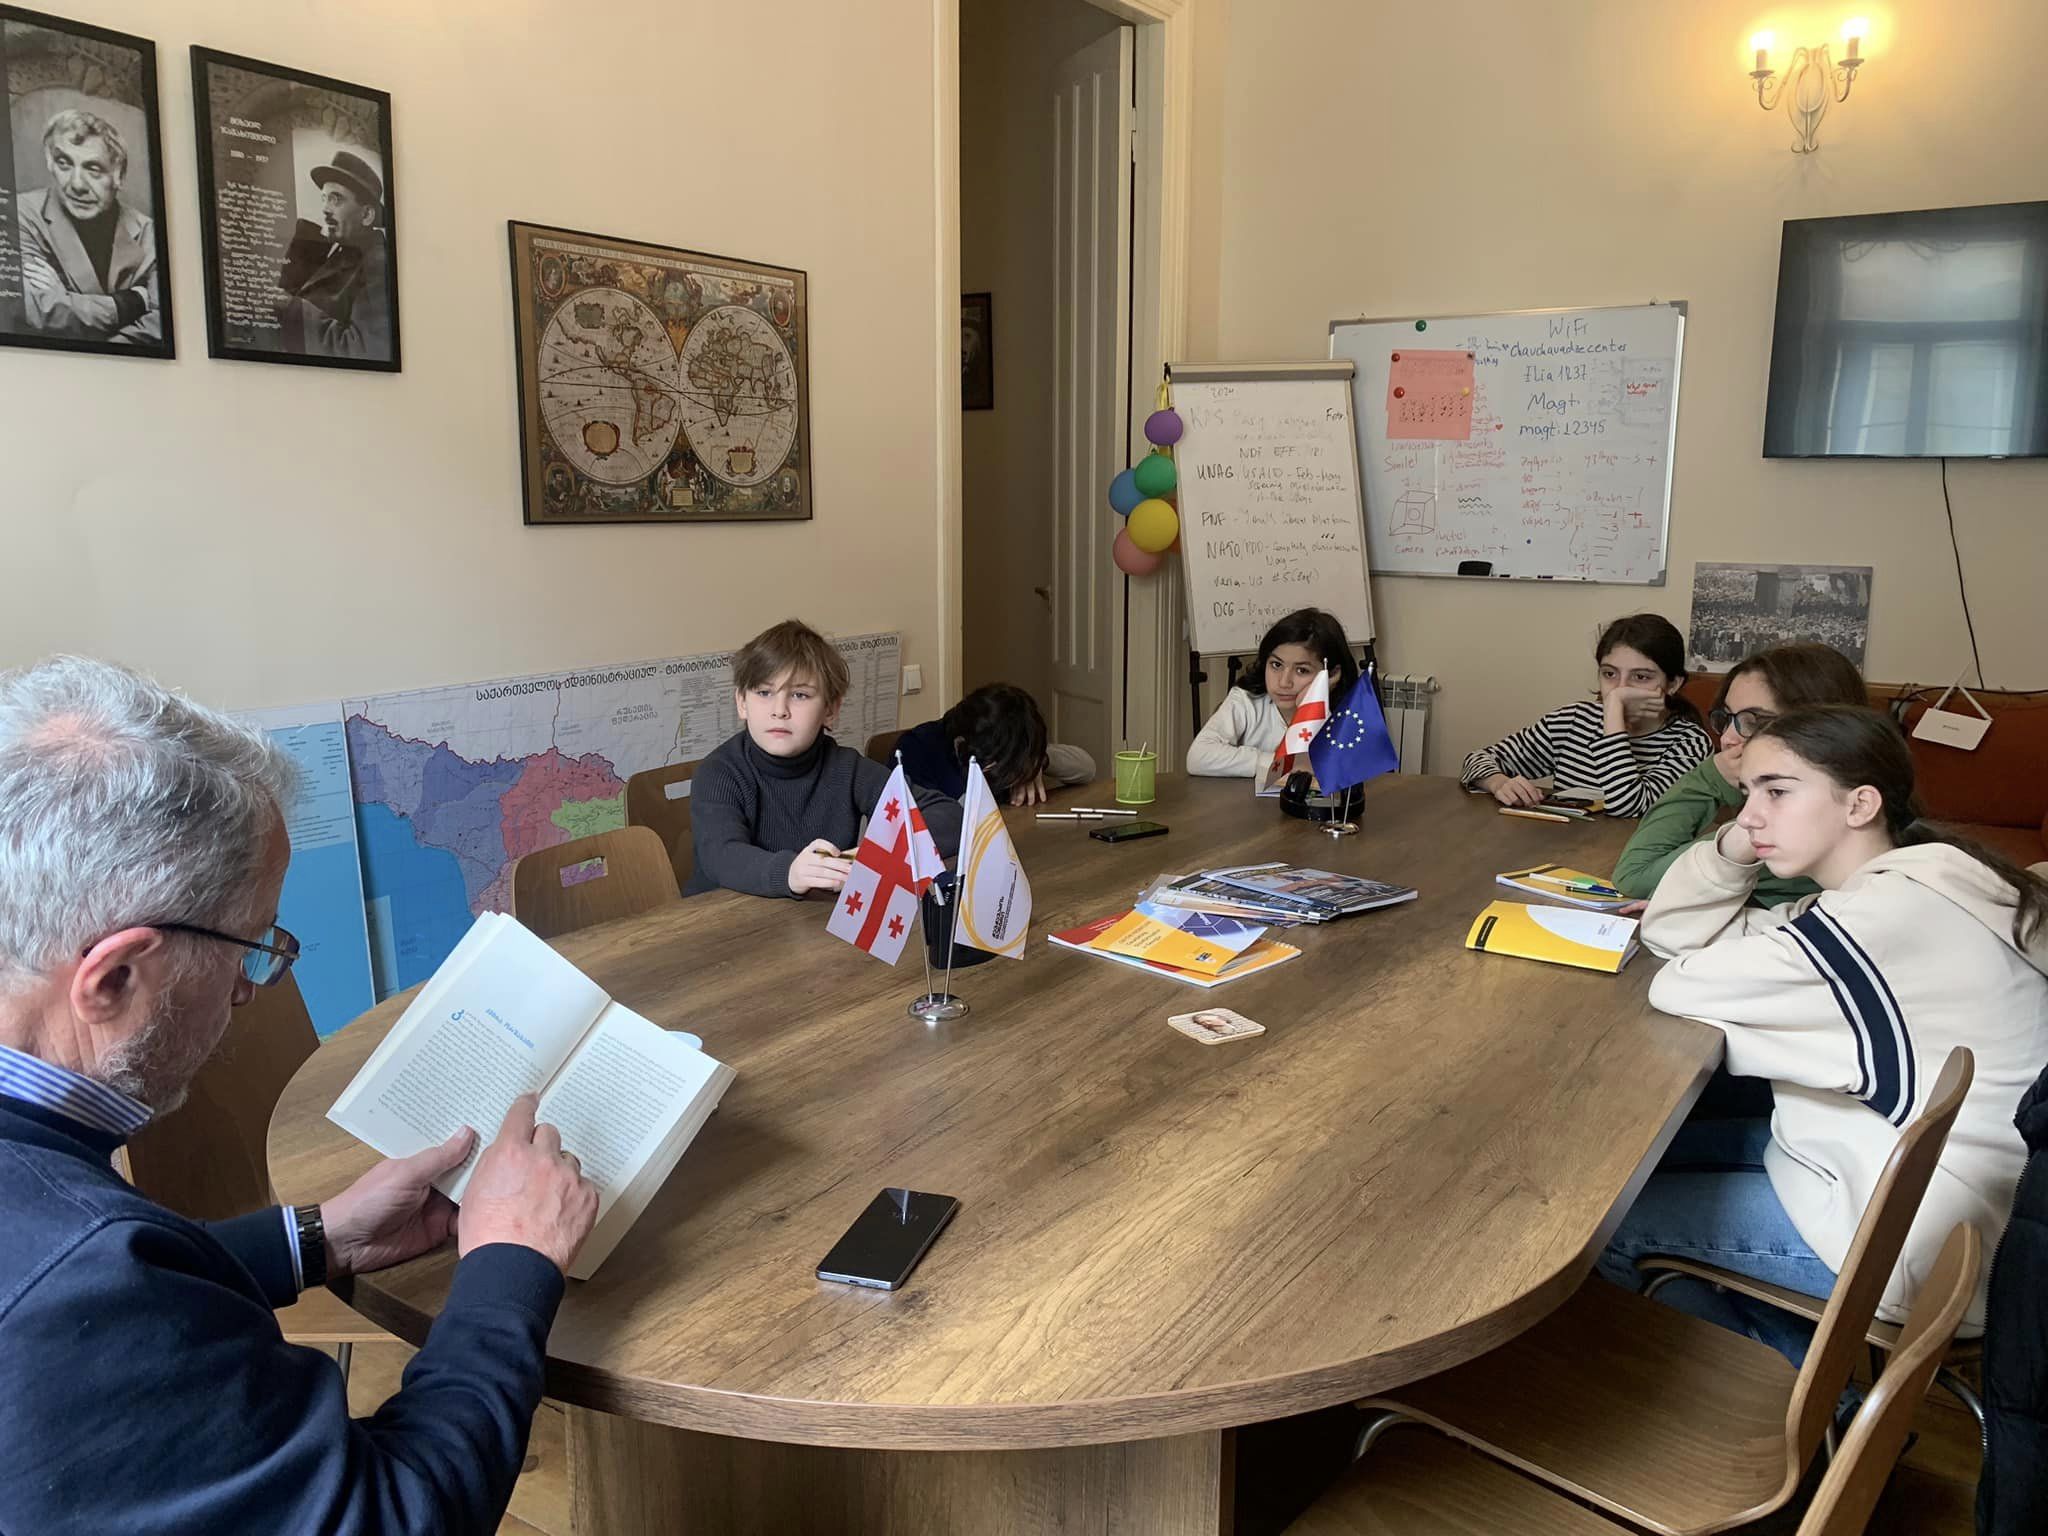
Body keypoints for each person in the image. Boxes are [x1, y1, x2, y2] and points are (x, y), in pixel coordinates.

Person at [0, 655, 601, 1533]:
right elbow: (390, 1517)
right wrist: (511, 1261)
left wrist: (317, 1238)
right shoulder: (74, 1285)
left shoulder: (68, 1256)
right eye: (250, 946)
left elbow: (119, 1295)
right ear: (116, 976)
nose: (250, 991)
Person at [1599, 705, 2048, 1359]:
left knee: (1612, 1224)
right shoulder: (1923, 880)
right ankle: (1795, 1371)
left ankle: (1797, 1408)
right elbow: (1675, 936)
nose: (1749, 817)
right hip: (1947, 1199)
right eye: (1747, 793)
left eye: (1777, 792)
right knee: (1645, 1160)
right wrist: (1732, 848)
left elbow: (1675, 982)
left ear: (1860, 804)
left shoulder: (1882, 920)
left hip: (1918, 1243)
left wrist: (1732, 860)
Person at [687, 619, 962, 898]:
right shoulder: (719, 772)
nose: (779, 710)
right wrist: (790, 872)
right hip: (726, 917)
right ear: (742, 703)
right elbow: (721, 855)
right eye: (764, 692)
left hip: (813, 916)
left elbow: (950, 817)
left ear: (830, 710)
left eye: (799, 695)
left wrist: (871, 857)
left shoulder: (847, 768)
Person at [1612, 642, 1869, 902]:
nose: (1727, 738)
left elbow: (1635, 876)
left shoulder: (1795, 826)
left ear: (1822, 730)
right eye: (1727, 718)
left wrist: (1710, 776)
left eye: (1754, 721)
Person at [1459, 613, 1712, 817]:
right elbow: (1476, 760)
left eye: (1641, 677)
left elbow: (1628, 806)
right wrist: (1498, 782)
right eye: (1609, 674)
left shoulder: (1691, 744)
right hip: (1568, 851)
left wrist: (1613, 717)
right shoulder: (1572, 721)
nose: (1620, 689)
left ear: (1673, 684)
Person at [17, 109, 161, 343]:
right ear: (50, 164)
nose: (77, 185)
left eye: (93, 169)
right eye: (64, 163)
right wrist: (132, 302)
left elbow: (160, 325)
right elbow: (41, 309)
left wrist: (107, 354)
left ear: (120, 176)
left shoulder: (148, 233)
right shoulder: (19, 214)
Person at [1187, 608, 1360, 777]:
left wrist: (1312, 710)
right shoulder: (1247, 699)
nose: (1284, 682)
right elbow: (1198, 757)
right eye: (1276, 665)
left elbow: (1346, 766)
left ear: (1332, 674)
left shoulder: (1349, 711)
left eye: (1302, 670)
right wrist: (1280, 763)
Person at [895, 682, 1095, 807]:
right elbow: (940, 829)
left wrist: (1035, 765)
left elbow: (1087, 768)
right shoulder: (914, 751)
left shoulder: (1009, 744)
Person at [276, 149, 391, 360]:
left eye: (336, 200)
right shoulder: (343, 250)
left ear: (367, 215)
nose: (325, 209)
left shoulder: (378, 265)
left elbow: (362, 349)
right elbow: (291, 291)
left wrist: (292, 309)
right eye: (324, 199)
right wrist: (308, 239)